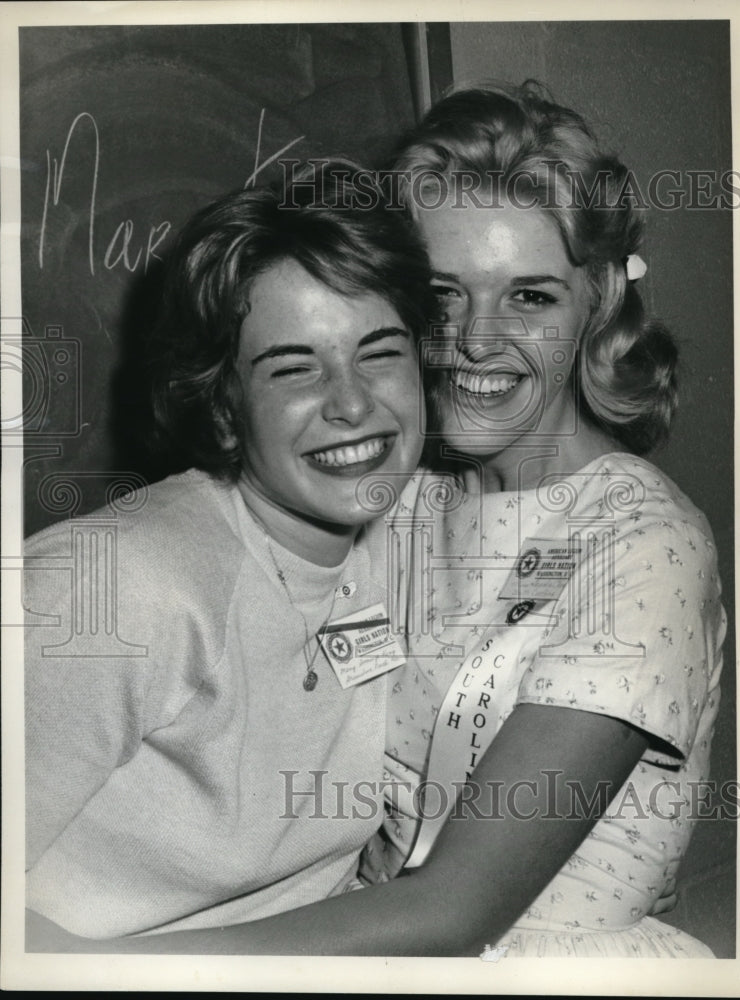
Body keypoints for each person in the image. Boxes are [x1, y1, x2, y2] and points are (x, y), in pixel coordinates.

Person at [50, 84, 720, 958]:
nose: (476, 340)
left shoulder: (644, 543)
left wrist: (97, 969)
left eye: (529, 298)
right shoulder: (398, 494)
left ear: (595, 300)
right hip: (357, 934)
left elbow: (455, 912)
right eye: (443, 295)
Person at [24, 165, 433, 945]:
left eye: (379, 354)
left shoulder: (404, 542)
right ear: (220, 407)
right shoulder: (115, 588)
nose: (352, 403)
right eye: (294, 368)